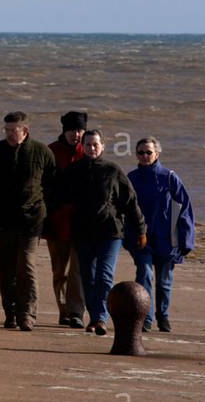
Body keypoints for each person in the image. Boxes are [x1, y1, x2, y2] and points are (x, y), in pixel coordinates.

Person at [0, 112, 58, 332]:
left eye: (14, 130)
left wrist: (45, 211)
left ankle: (27, 315)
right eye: (7, 130)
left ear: (25, 131)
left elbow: (53, 185)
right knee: (6, 268)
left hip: (31, 221)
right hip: (1, 221)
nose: (10, 134)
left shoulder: (41, 152)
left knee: (27, 267)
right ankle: (10, 313)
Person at [58, 128, 145, 336]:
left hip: (110, 232)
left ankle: (100, 318)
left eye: (96, 144)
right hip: (82, 233)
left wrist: (141, 229)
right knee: (87, 277)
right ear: (83, 146)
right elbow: (57, 197)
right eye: (88, 145)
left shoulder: (113, 170)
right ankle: (93, 315)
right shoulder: (73, 171)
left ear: (103, 146)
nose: (92, 148)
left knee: (104, 275)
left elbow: (130, 202)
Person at [127, 137, 195, 332]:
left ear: (157, 154)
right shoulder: (131, 178)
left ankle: (162, 316)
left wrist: (186, 240)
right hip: (142, 238)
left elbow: (184, 209)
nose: (145, 156)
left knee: (164, 282)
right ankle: (146, 318)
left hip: (167, 239)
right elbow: (124, 208)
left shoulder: (170, 177)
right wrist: (126, 235)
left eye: (149, 152)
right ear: (136, 154)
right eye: (141, 152)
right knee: (145, 274)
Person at [43, 111, 87, 328]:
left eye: (80, 130)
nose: (76, 135)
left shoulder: (89, 150)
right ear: (64, 131)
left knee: (78, 270)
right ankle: (63, 310)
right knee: (59, 270)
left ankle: (76, 312)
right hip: (57, 222)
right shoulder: (51, 151)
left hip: (82, 223)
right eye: (72, 130)